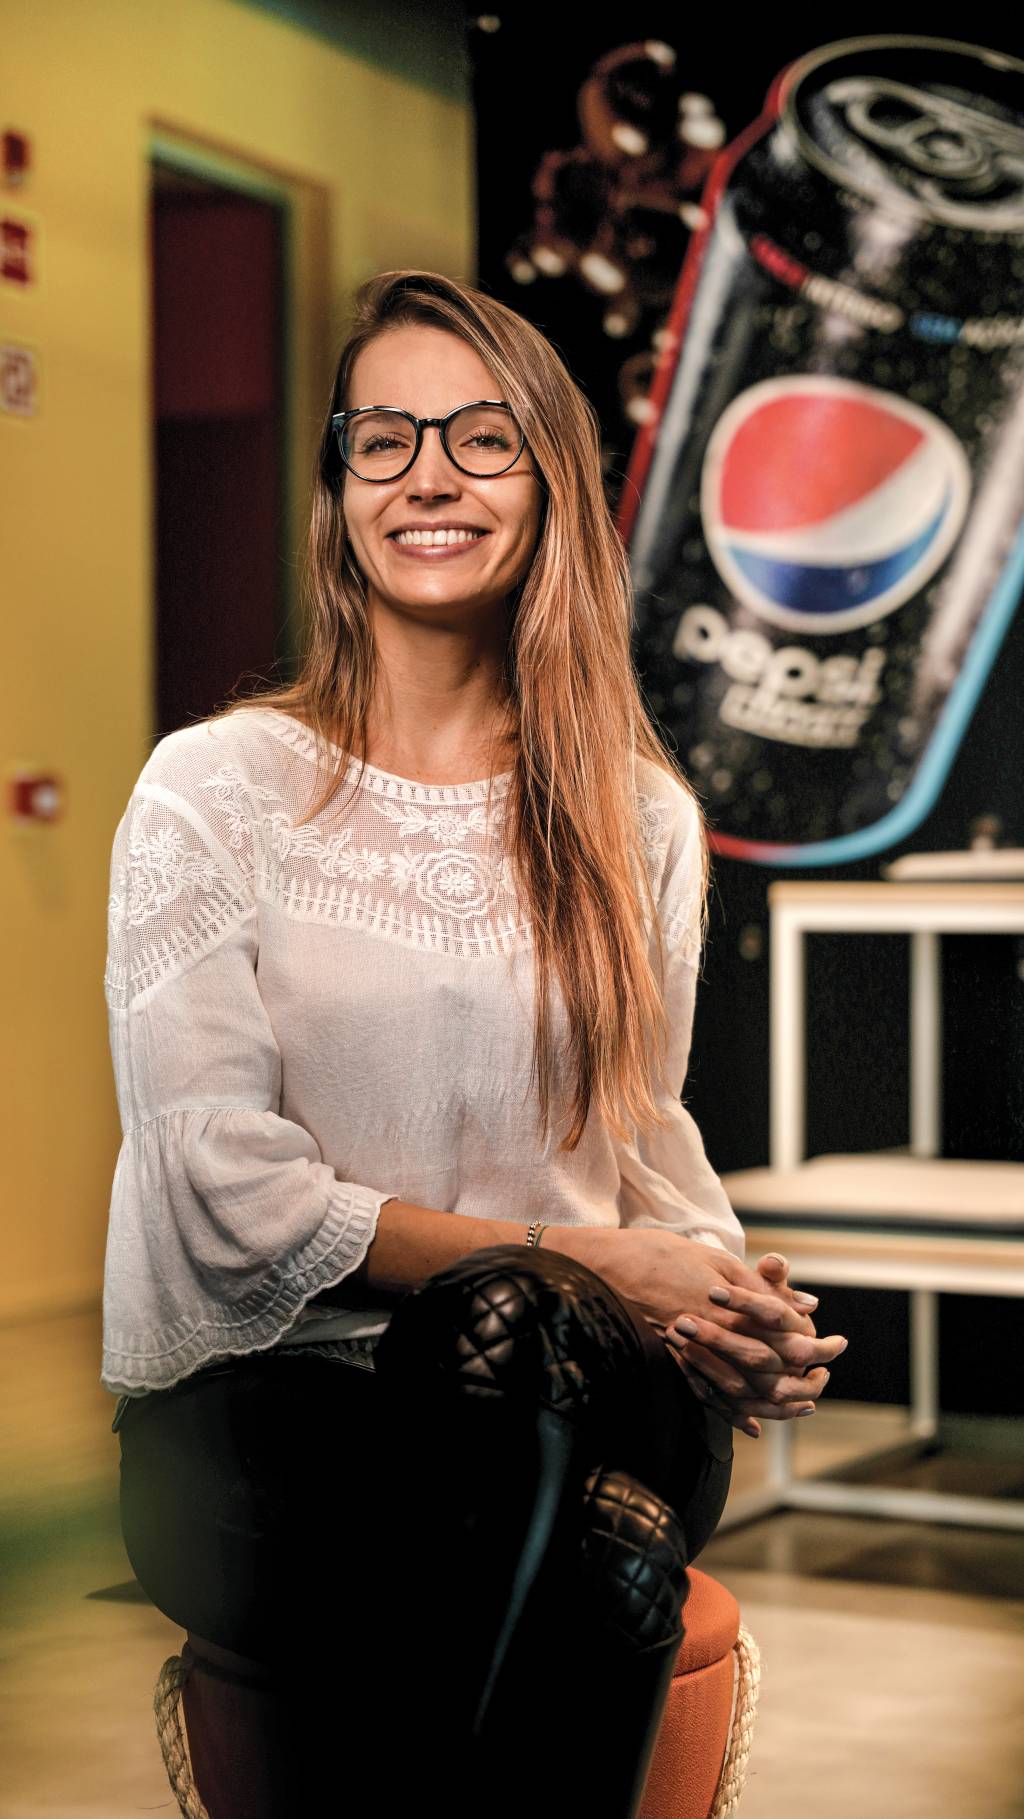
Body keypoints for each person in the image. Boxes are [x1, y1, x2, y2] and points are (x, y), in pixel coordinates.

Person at [103, 269, 847, 1817]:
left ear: (553, 483)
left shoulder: (635, 813)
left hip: (598, 1384)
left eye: (483, 437)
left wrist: (724, 1295)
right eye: (386, 438)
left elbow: (641, 1140)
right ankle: (611, 1558)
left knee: (530, 1336)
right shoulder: (216, 788)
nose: (429, 473)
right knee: (592, 1539)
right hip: (275, 1425)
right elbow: (217, 1196)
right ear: (341, 487)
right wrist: (583, 1266)